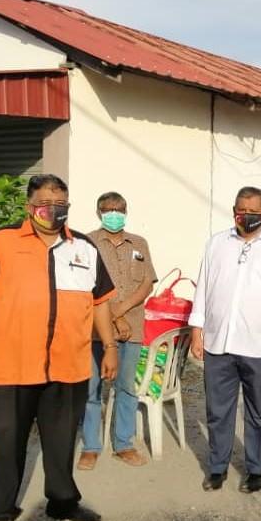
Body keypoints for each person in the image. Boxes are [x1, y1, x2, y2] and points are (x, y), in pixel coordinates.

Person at [0, 174, 119, 521]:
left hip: (68, 365)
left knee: (62, 440)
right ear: (29, 206)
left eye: (61, 204)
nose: (54, 210)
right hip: (10, 366)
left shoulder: (84, 248)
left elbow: (99, 304)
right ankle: (1, 508)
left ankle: (62, 501)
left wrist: (109, 347)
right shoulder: (1, 242)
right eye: (47, 202)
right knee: (7, 440)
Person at [188, 186, 261, 494]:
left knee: (259, 412)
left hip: (260, 346)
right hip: (219, 344)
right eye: (241, 210)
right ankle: (217, 467)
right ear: (233, 209)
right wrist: (197, 329)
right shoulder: (217, 244)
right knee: (218, 410)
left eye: (253, 212)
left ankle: (255, 469)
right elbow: (203, 290)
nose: (246, 216)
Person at [77, 192, 158, 471]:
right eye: (108, 209)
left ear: (126, 211)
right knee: (91, 389)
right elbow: (85, 285)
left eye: (119, 208)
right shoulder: (86, 242)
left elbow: (148, 283)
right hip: (95, 330)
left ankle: (123, 443)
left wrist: (121, 311)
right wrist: (112, 317)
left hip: (132, 328)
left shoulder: (139, 243)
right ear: (98, 212)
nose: (114, 213)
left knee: (126, 388)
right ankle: (90, 446)